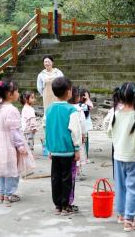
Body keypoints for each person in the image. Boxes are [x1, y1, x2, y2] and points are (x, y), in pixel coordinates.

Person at [0, 80, 35, 206]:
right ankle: (9, 194)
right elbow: (15, 131)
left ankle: (2, 194)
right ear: (10, 94)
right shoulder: (11, 110)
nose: (18, 93)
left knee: (1, 169)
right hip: (10, 143)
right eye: (17, 91)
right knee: (12, 169)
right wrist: (20, 146)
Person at [107, 82, 135, 232]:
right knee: (133, 188)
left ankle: (121, 214)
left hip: (118, 156)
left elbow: (109, 132)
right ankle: (129, 220)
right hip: (134, 157)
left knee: (120, 186)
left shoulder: (115, 114)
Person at [45, 77, 82, 215]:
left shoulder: (49, 109)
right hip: (67, 150)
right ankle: (66, 205)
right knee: (67, 178)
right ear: (68, 92)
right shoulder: (71, 110)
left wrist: (49, 148)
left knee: (55, 178)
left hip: (54, 150)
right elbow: (75, 132)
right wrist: (77, 149)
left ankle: (58, 205)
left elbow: (47, 128)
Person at [79, 87, 93, 161]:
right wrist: (87, 99)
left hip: (85, 127)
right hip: (80, 127)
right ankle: (83, 156)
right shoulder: (81, 106)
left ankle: (85, 155)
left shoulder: (84, 105)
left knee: (85, 141)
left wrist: (87, 99)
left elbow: (90, 106)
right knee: (82, 142)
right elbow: (91, 106)